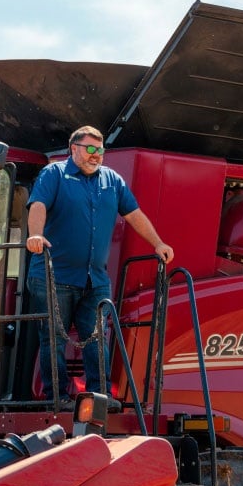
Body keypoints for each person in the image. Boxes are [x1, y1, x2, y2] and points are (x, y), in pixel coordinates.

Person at [25, 125, 173, 405]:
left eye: (100, 150)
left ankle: (100, 397)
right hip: (53, 275)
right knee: (54, 338)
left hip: (95, 279)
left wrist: (158, 243)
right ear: (74, 149)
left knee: (97, 338)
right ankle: (56, 398)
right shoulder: (54, 174)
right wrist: (36, 234)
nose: (96, 156)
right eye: (91, 149)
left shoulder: (112, 180)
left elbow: (134, 214)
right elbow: (38, 205)